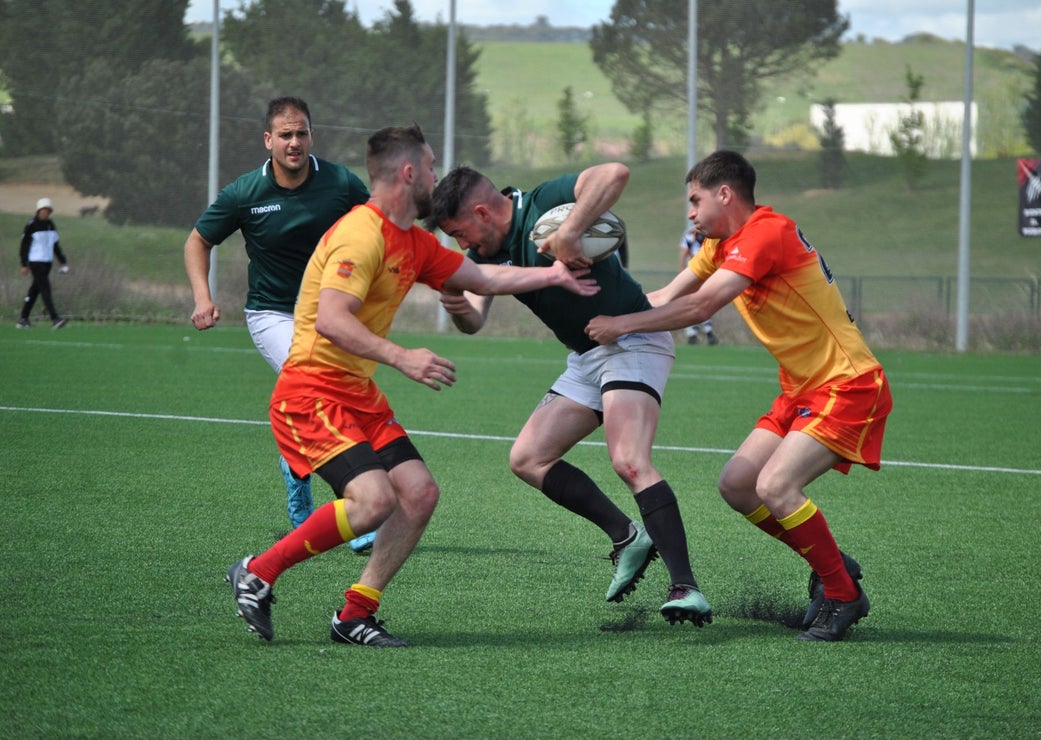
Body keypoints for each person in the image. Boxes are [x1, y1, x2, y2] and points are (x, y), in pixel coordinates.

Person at [226, 123, 601, 647]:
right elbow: (331, 319)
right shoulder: (361, 234)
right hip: (311, 393)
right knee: (373, 501)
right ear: (408, 173)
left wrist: (554, 275)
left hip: (356, 393)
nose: (435, 176)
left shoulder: (413, 241)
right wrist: (402, 357)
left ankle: (354, 614)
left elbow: (483, 278)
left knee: (419, 494)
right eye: (430, 167)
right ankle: (257, 572)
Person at [586, 150, 893, 641]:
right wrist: (590, 302)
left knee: (775, 487)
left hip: (848, 384)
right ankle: (833, 565)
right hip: (801, 389)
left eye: (695, 200)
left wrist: (622, 325)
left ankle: (842, 593)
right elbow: (664, 297)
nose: (690, 213)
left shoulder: (766, 233)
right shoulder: (720, 245)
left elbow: (701, 306)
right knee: (737, 485)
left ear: (725, 194)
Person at [427, 164, 712, 627]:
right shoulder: (483, 256)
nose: (462, 246)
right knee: (528, 458)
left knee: (629, 460)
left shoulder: (543, 203)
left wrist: (571, 231)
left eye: (460, 233)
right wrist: (459, 307)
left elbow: (614, 173)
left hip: (632, 340)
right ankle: (627, 536)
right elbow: (474, 320)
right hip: (586, 356)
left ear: (482, 212)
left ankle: (686, 587)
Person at [184, 97, 376, 552]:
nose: (294, 142)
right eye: (285, 135)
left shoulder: (340, 183)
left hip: (332, 314)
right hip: (273, 313)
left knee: (337, 402)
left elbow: (378, 227)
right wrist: (202, 298)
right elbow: (197, 241)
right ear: (268, 140)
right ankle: (352, 511)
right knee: (320, 393)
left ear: (312, 136)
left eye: (301, 133)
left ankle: (299, 471)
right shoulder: (245, 193)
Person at [17, 197, 69, 330]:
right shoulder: (31, 225)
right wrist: (24, 264)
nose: (46, 212)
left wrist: (62, 261)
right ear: (39, 210)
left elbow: (55, 245)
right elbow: (24, 246)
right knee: (45, 288)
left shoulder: (50, 224)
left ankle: (23, 318)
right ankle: (55, 318)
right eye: (44, 210)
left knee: (34, 291)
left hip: (47, 262)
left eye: (48, 210)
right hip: (35, 262)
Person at [677, 227, 717, 345]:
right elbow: (684, 253)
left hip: (703, 272)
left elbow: (683, 253)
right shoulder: (691, 235)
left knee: (702, 300)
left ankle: (702, 331)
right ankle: (697, 332)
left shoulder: (710, 234)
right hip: (695, 272)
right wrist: (683, 274)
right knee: (695, 301)